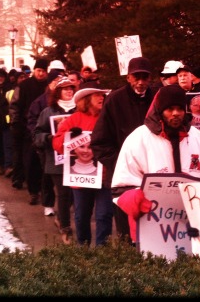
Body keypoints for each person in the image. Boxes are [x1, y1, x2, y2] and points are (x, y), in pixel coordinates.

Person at [111, 84, 200, 244]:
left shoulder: (197, 137)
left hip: (193, 228)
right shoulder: (139, 138)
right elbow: (120, 186)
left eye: (179, 108)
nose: (175, 113)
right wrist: (133, 199)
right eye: (169, 109)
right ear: (159, 111)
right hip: (151, 229)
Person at [90, 56, 155, 243]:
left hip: (153, 177)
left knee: (155, 230)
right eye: (136, 77)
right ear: (128, 77)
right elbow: (99, 142)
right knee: (127, 233)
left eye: (145, 77)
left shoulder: (156, 99)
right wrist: (124, 164)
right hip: (124, 179)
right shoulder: (114, 100)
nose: (141, 82)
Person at [53, 84, 113, 247]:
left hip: (105, 176)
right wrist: (69, 138)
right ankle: (83, 249)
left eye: (102, 95)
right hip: (81, 179)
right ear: (86, 99)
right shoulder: (73, 119)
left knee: (104, 215)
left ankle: (103, 251)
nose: (102, 98)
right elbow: (57, 144)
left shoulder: (109, 117)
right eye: (97, 95)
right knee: (81, 216)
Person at [33, 76, 76, 244]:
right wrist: (50, 138)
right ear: (57, 92)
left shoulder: (79, 110)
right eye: (65, 89)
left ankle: (60, 217)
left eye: (71, 88)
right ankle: (66, 228)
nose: (69, 91)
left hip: (76, 160)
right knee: (64, 194)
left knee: (72, 195)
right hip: (57, 160)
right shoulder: (48, 112)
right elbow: (36, 136)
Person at [8, 58, 49, 200]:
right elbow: (15, 105)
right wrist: (16, 123)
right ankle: (33, 191)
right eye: (39, 70)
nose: (41, 74)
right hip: (27, 128)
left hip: (46, 129)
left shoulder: (49, 86)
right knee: (30, 161)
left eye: (44, 71)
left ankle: (45, 191)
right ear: (34, 70)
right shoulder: (24, 85)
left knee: (44, 164)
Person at [27, 70, 63, 216]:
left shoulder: (70, 100)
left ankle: (65, 205)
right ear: (50, 83)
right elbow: (33, 123)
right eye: (57, 81)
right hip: (47, 146)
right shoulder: (40, 101)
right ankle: (48, 203)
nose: (59, 83)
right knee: (48, 175)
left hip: (64, 146)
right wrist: (42, 140)